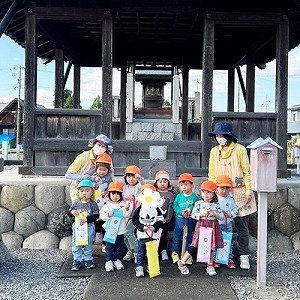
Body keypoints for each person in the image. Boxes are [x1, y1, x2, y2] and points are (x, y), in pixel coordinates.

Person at [208, 121, 257, 269]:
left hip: (239, 192)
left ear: (228, 136)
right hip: (221, 194)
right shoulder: (214, 152)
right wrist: (211, 191)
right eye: (216, 135)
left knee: (242, 227)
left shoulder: (240, 150)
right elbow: (211, 174)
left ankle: (244, 256)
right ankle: (219, 255)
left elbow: (247, 172)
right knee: (220, 226)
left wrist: (249, 190)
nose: (218, 138)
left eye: (221, 135)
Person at [177, 180, 224, 276]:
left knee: (211, 246)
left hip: (213, 226)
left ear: (213, 194)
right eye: (203, 192)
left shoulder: (216, 205)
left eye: (208, 192)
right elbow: (193, 215)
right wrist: (201, 214)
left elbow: (222, 216)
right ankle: (182, 261)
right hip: (201, 226)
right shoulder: (198, 203)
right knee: (195, 246)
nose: (205, 194)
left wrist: (215, 214)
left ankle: (210, 264)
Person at [65, 134, 113, 203]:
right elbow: (68, 175)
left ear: (106, 149)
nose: (100, 148)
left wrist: (106, 191)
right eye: (98, 145)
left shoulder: (108, 160)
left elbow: (110, 178)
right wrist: (88, 178)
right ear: (94, 144)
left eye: (103, 146)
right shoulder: (83, 156)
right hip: (80, 189)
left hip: (100, 191)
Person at [132, 184, 164, 277]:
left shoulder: (157, 209)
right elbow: (134, 220)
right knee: (141, 252)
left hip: (153, 235)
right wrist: (141, 227)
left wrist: (155, 227)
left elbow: (160, 220)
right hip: (142, 235)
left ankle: (152, 267)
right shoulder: (139, 209)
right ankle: (139, 267)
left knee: (153, 252)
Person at [99, 181, 132, 272]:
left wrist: (127, 209)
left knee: (118, 246)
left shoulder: (123, 204)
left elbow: (126, 215)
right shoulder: (107, 205)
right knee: (109, 246)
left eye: (118, 194)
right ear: (109, 194)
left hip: (120, 230)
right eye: (113, 193)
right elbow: (102, 216)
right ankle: (108, 261)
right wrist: (108, 214)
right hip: (110, 231)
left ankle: (117, 260)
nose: (115, 196)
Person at [68, 179, 99, 271]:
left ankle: (88, 259)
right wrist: (72, 212)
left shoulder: (93, 204)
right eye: (82, 191)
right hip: (78, 227)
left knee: (88, 243)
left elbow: (96, 215)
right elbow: (69, 212)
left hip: (89, 226)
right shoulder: (76, 203)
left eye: (87, 191)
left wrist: (87, 219)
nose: (84, 193)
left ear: (91, 192)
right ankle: (77, 260)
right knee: (76, 243)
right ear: (78, 192)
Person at [86, 152, 113, 251]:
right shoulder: (91, 173)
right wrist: (93, 178)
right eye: (100, 169)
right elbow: (84, 177)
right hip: (92, 201)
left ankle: (104, 243)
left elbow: (110, 188)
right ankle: (93, 238)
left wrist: (106, 192)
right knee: (93, 218)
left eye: (104, 170)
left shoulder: (108, 177)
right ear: (96, 168)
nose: (102, 172)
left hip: (103, 201)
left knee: (103, 219)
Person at [171, 173, 199, 265]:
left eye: (186, 184)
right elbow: (174, 206)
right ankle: (174, 253)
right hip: (179, 220)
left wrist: (190, 210)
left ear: (192, 185)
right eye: (181, 185)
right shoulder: (179, 196)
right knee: (176, 237)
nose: (184, 187)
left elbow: (197, 207)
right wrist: (180, 211)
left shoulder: (195, 197)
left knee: (189, 238)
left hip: (189, 220)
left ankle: (187, 254)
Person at [214, 175, 238, 269]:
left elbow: (235, 209)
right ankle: (216, 258)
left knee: (228, 241)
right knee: (216, 241)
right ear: (217, 188)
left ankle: (229, 258)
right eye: (222, 188)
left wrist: (231, 214)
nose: (224, 191)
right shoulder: (215, 199)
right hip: (217, 224)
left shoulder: (230, 200)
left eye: (227, 189)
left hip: (227, 224)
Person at [122, 165, 145, 262]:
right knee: (124, 234)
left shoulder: (138, 186)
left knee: (128, 232)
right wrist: (125, 198)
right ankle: (130, 250)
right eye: (129, 176)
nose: (131, 179)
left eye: (133, 177)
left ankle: (136, 251)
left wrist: (140, 180)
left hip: (135, 215)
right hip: (125, 214)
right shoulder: (124, 187)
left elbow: (145, 188)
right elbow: (119, 197)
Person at [153, 170, 175, 261]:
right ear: (156, 182)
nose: (162, 184)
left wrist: (167, 219)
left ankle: (163, 250)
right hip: (154, 219)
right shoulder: (154, 193)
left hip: (165, 219)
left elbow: (170, 208)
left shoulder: (170, 194)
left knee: (163, 234)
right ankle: (154, 251)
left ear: (168, 183)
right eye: (160, 182)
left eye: (165, 182)